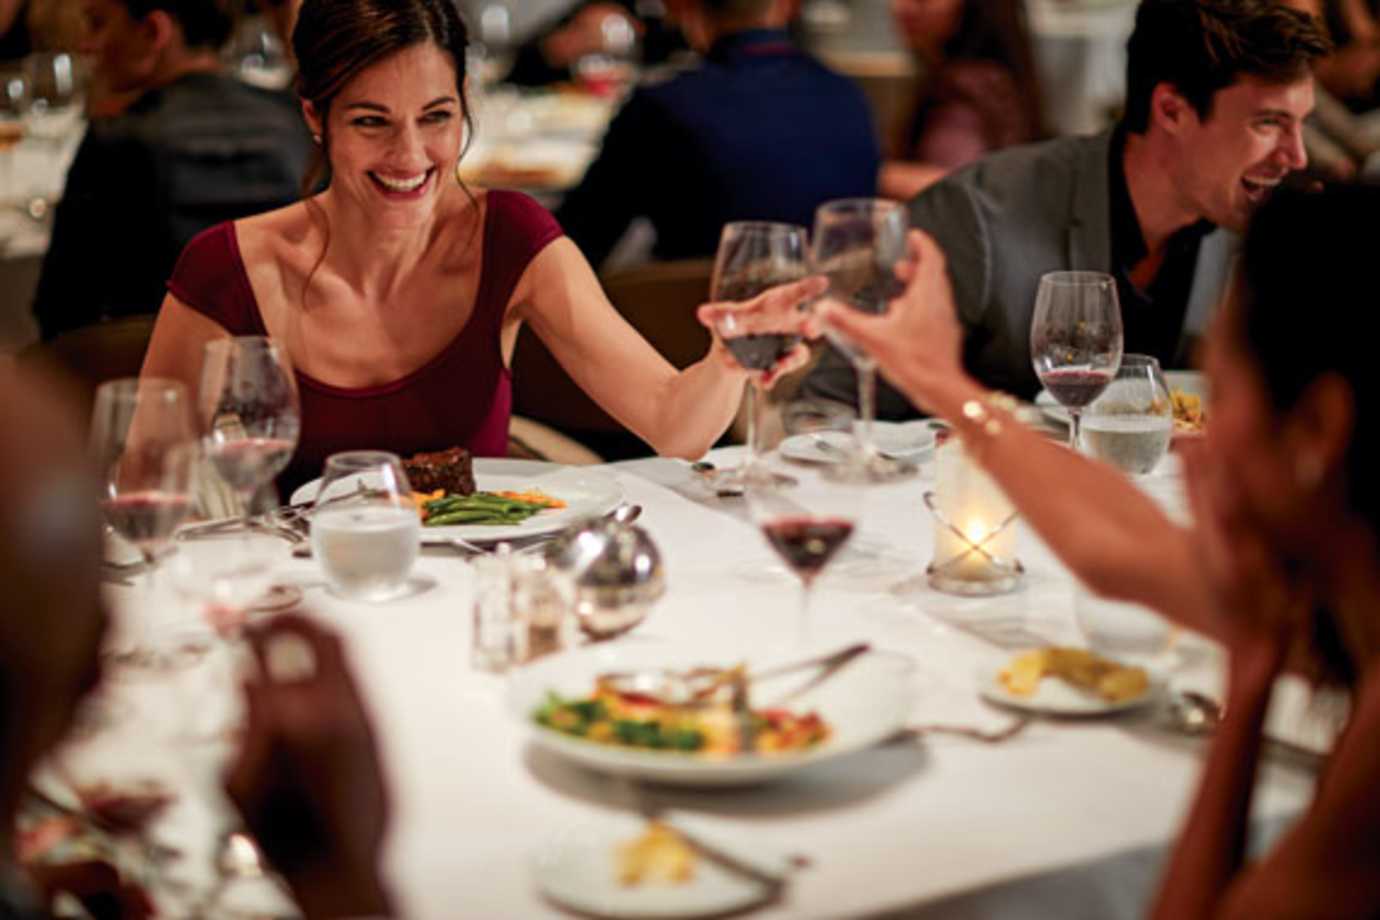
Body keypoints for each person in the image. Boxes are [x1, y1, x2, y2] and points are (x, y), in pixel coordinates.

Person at [823, 180, 1380, 917]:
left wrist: (1247, 684)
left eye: (1222, 391)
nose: (1196, 444)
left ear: (1317, 427)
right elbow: (1118, 546)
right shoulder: (1346, 584)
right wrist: (941, 382)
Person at [138, 0, 820, 497]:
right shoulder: (226, 268)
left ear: (465, 103)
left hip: (474, 603)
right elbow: (142, 482)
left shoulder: (513, 237)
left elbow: (677, 428)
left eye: (436, 118)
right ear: (316, 118)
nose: (410, 156)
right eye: (371, 122)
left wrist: (727, 361)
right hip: (311, 608)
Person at [805, 0, 1329, 414]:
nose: (1296, 156)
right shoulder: (976, 218)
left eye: (1300, 124)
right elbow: (829, 406)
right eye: (1268, 124)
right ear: (1172, 110)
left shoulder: (1257, 229)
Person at [31, 0, 313, 341]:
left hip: (159, 372)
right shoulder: (293, 118)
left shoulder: (117, 140)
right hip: (288, 359)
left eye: (97, 24)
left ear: (153, 32)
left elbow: (61, 310)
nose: (85, 45)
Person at [553, 0, 878, 270]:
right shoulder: (846, 94)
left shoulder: (664, 106)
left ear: (681, 6)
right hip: (828, 325)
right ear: (786, 5)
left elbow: (576, 244)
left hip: (696, 327)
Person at [879, 0, 1043, 201]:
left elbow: (958, 188)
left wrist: (869, 175)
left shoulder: (968, 85)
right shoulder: (996, 75)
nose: (902, 6)